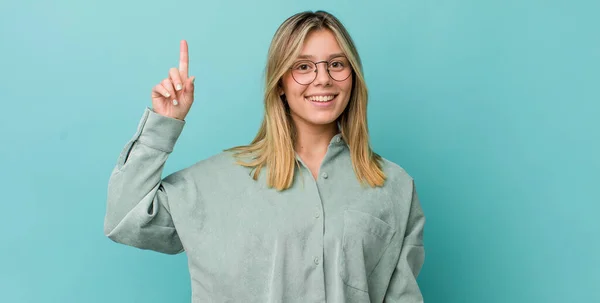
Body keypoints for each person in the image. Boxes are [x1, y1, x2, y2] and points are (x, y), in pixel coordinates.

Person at [104, 10, 426, 303]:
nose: (323, 78)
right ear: (281, 83)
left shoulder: (395, 187)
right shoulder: (219, 181)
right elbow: (126, 219)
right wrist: (164, 123)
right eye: (303, 66)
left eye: (337, 64)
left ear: (353, 77)